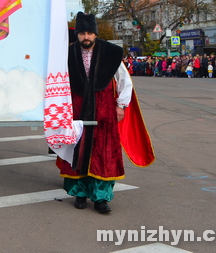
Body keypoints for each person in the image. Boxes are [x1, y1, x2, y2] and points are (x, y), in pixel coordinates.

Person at [56, 12, 153, 214]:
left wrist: (121, 105)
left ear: (96, 34)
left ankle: (101, 198)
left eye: (90, 33)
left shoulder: (111, 53)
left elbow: (125, 80)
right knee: (78, 149)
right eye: (82, 33)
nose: (86, 37)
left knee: (104, 152)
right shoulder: (66, 53)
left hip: (104, 109)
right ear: (78, 34)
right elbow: (59, 81)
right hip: (77, 107)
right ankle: (80, 193)